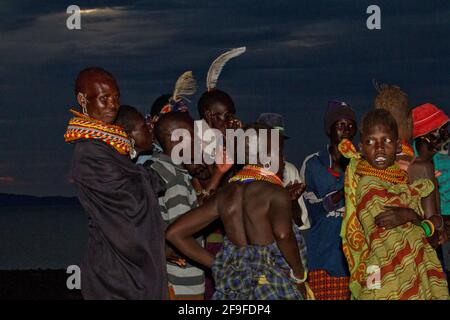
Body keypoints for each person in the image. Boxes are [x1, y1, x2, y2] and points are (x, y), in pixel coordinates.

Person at [166, 123, 311, 300]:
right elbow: (282, 234)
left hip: (235, 286)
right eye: (280, 153)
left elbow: (175, 233)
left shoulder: (226, 193)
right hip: (271, 286)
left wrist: (218, 265)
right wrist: (299, 275)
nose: (283, 159)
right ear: (268, 158)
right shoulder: (275, 192)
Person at [64, 67, 167, 299]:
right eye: (104, 98)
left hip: (128, 268)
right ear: (82, 99)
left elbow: (141, 183)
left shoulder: (110, 148)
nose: (112, 105)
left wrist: (141, 176)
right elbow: (130, 201)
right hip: (114, 274)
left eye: (116, 97)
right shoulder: (90, 152)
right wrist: (145, 175)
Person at [339, 108, 449, 300]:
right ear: (362, 148)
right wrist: (421, 219)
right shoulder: (368, 184)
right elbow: (390, 233)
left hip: (411, 268)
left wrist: (415, 219)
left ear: (398, 145)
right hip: (385, 271)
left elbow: (428, 237)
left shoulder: (400, 181)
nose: (379, 148)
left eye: (386, 141)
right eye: (371, 142)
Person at [299, 101, 356, 300]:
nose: (346, 131)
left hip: (356, 258)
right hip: (323, 255)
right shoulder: (314, 164)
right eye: (340, 125)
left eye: (350, 126)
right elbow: (311, 211)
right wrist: (342, 191)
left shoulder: (363, 164)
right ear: (329, 129)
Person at [149, 111, 208, 300]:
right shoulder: (175, 179)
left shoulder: (155, 169)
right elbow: (181, 232)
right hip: (182, 282)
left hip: (163, 277)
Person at [411, 103, 450, 271]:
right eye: (439, 130)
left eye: (446, 128)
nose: (446, 134)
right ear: (424, 136)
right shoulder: (409, 163)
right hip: (425, 239)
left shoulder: (444, 158)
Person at [256, 112, 310, 230]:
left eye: (278, 139)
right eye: (269, 139)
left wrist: (292, 201)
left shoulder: (289, 170)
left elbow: (300, 223)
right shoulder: (247, 172)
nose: (274, 144)